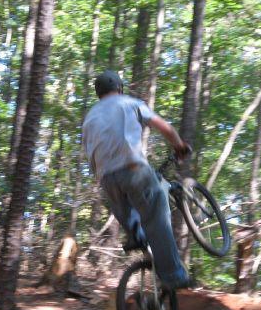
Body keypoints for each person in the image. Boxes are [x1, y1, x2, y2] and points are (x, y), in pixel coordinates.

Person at [82, 70, 191, 290]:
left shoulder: (90, 117)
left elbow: (89, 151)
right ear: (119, 87)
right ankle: (175, 277)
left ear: (98, 93)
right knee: (157, 218)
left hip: (107, 179)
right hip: (132, 168)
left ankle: (137, 236)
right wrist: (179, 146)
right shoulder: (129, 103)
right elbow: (164, 127)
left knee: (134, 221)